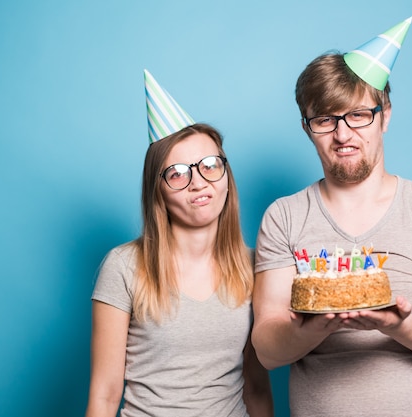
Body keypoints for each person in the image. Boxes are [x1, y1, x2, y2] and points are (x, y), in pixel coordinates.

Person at [252, 18, 412, 417]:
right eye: (325, 120)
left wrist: (397, 325)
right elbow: (267, 351)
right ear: (307, 128)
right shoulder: (283, 217)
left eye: (358, 115)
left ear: (385, 114)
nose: (343, 135)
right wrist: (316, 326)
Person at [86, 71, 273, 417]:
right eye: (178, 173)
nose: (198, 183)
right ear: (157, 189)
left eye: (210, 166)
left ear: (226, 179)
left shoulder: (254, 267)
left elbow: (257, 385)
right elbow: (105, 394)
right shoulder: (124, 266)